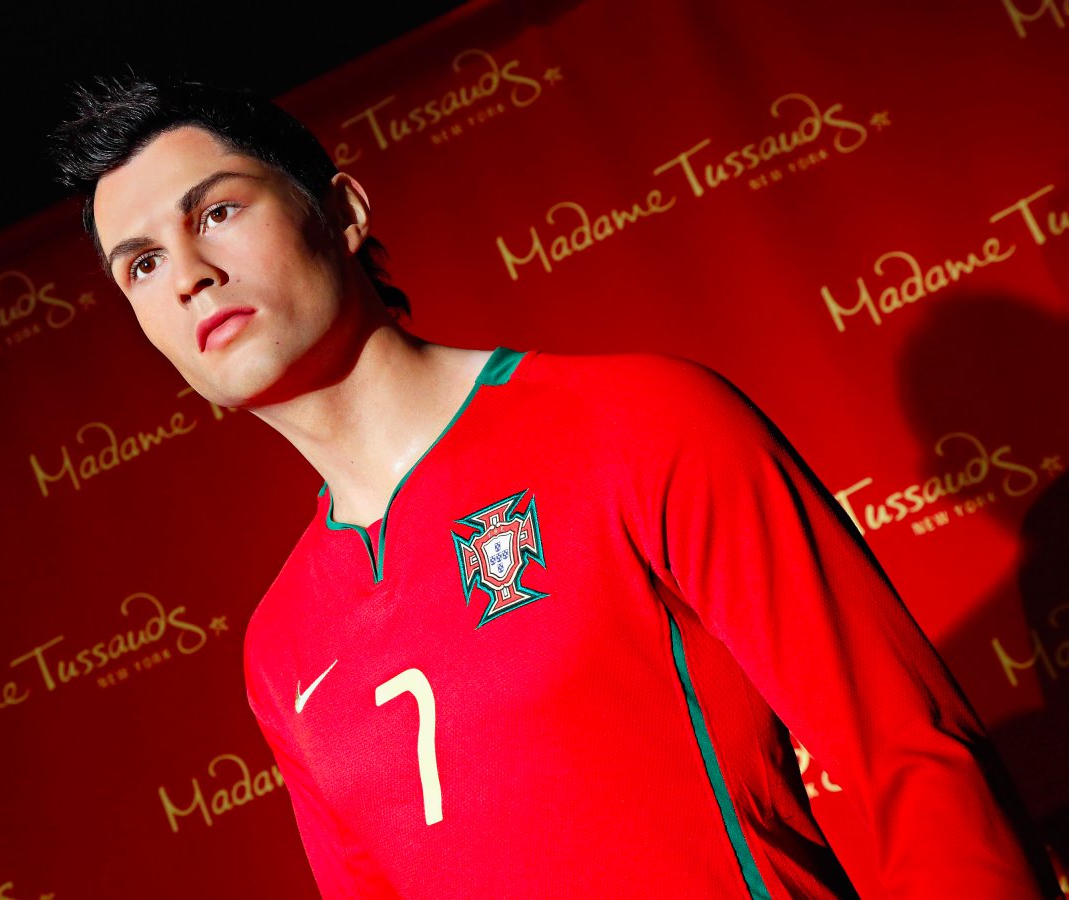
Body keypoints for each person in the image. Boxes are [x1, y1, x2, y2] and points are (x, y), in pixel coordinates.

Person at [51, 75, 1059, 898]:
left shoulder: (637, 421)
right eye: (140, 265)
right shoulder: (281, 645)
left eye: (218, 211)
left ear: (343, 211)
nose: (186, 272)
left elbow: (909, 756)